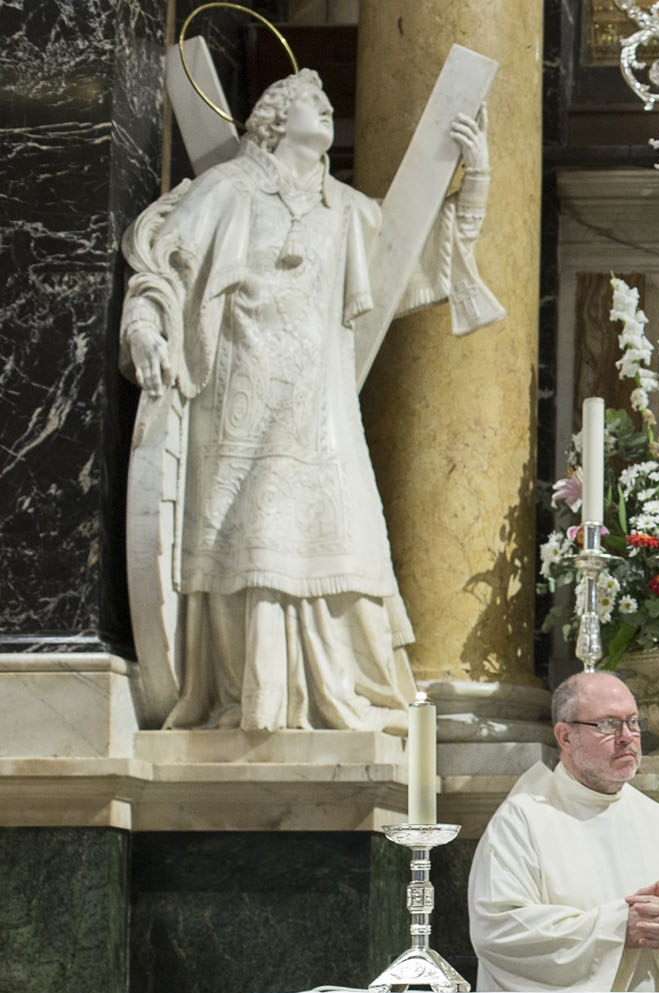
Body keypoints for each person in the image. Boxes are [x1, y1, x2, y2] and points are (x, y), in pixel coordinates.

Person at [120, 69, 501, 732]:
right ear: (271, 117)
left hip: (320, 409)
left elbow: (423, 265)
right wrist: (145, 328)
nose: (326, 107)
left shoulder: (348, 210)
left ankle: (336, 692)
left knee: (337, 531)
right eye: (309, 99)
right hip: (239, 399)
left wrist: (479, 178)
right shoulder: (228, 189)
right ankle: (253, 700)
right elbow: (165, 265)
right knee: (256, 535)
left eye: (328, 101)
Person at [469, 673, 659, 992]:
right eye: (608, 724)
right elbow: (499, 931)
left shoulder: (657, 819)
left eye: (633, 723)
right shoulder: (522, 820)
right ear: (565, 736)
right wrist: (620, 927)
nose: (627, 737)